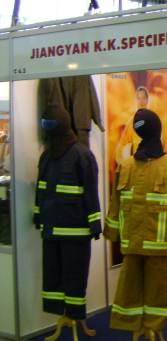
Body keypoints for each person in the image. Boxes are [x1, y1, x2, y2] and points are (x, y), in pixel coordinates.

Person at [104, 109, 167, 341]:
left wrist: (112, 233)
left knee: (142, 288)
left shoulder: (164, 166)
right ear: (158, 131)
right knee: (142, 289)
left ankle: (148, 327)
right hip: (151, 244)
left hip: (142, 243)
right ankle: (147, 327)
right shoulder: (134, 166)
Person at [34, 104, 101, 329]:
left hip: (76, 232)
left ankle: (75, 315)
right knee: (51, 276)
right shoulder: (46, 156)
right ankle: (59, 312)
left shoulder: (82, 154)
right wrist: (38, 217)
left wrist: (95, 224)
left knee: (75, 277)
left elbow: (91, 192)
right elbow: (41, 190)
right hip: (51, 231)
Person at [116, 87, 149, 163]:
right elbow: (122, 145)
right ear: (136, 100)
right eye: (139, 98)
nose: (141, 101)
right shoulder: (132, 122)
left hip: (149, 164)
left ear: (147, 100)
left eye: (143, 98)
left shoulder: (153, 120)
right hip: (136, 164)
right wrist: (120, 160)